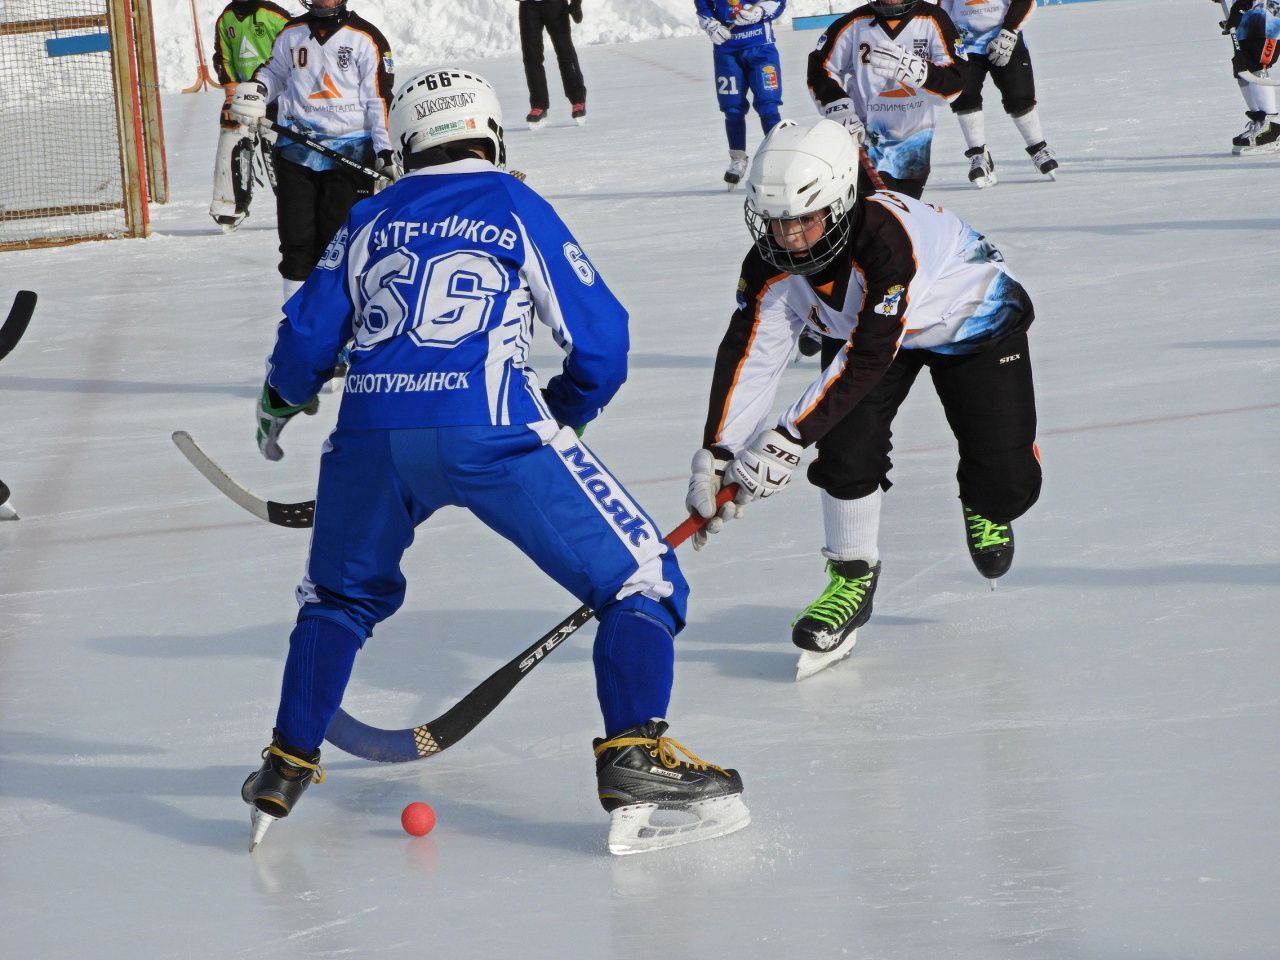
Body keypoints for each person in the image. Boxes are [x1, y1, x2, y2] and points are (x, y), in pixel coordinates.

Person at [241, 68, 749, 856]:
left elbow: (306, 337)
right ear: (490, 132)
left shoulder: (372, 215)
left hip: (370, 436)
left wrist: (279, 401)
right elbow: (602, 343)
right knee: (641, 579)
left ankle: (283, 765)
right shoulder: (515, 203)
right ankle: (634, 758)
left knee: (336, 600)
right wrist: (565, 415)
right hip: (492, 429)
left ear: (407, 142)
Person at [687, 119, 1041, 678]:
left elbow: (871, 354)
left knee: (1006, 484)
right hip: (868, 334)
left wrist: (787, 437)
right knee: (847, 450)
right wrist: (721, 450)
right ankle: (851, 576)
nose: (790, 238)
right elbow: (753, 351)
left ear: (843, 201)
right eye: (776, 223)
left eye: (804, 219)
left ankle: (987, 500)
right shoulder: (771, 262)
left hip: (970, 323)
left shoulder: (884, 240)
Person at [228, 0, 396, 306]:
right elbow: (274, 73)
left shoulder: (365, 37)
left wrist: (384, 150)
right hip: (296, 152)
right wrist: (258, 91)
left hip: (351, 156)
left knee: (339, 245)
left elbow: (379, 99)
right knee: (296, 244)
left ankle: (339, 329)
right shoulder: (291, 34)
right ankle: (295, 326)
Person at [807, 0, 963, 200]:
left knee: (903, 215)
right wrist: (839, 107)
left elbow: (956, 78)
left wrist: (924, 74)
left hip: (915, 147)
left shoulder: (933, 19)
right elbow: (821, 67)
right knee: (877, 216)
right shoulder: (855, 22)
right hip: (866, 140)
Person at [937, 0, 1057, 186]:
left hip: (1003, 35)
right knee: (965, 96)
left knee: (1019, 96)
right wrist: (945, 38)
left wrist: (1009, 32)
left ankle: (1038, 147)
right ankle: (978, 154)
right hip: (964, 41)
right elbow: (942, 8)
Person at [208, 0, 291, 231]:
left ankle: (292, 202)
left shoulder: (275, 16)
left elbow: (294, 49)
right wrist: (231, 92)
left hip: (276, 96)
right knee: (231, 132)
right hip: (243, 97)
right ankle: (229, 205)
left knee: (278, 149)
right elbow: (223, 57)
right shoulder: (226, 19)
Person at [694, 0, 787, 188]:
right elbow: (702, 5)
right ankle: (737, 158)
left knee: (768, 104)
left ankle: (778, 158)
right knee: (732, 107)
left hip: (761, 47)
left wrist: (759, 12)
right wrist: (711, 24)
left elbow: (779, 2)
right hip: (726, 51)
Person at [1217, 0, 1280, 154]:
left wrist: (1240, 6)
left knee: (1258, 63)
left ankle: (1273, 125)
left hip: (1267, 19)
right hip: (1249, 17)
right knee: (1242, 66)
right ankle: (1260, 120)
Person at [517, 0, 587, 128]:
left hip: (555, 5)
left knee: (565, 51)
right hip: (528, 6)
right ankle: (539, 104)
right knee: (531, 57)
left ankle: (577, 99)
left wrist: (576, 3)